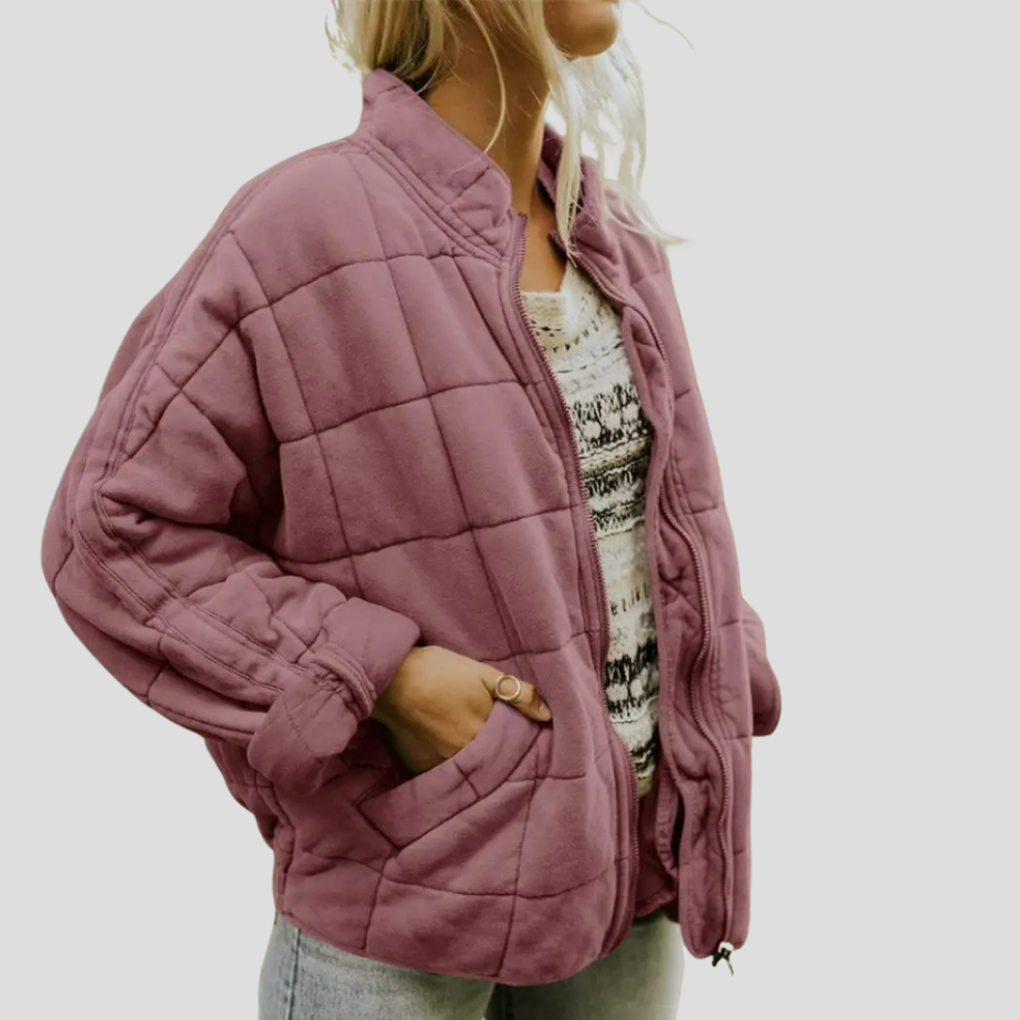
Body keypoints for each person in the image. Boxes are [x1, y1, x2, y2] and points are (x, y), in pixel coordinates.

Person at [39, 2, 782, 1017]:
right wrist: (380, 676)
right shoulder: (305, 226)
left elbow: (639, 514)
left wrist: (722, 661)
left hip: (626, 879)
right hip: (411, 897)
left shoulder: (606, 233)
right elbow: (110, 528)